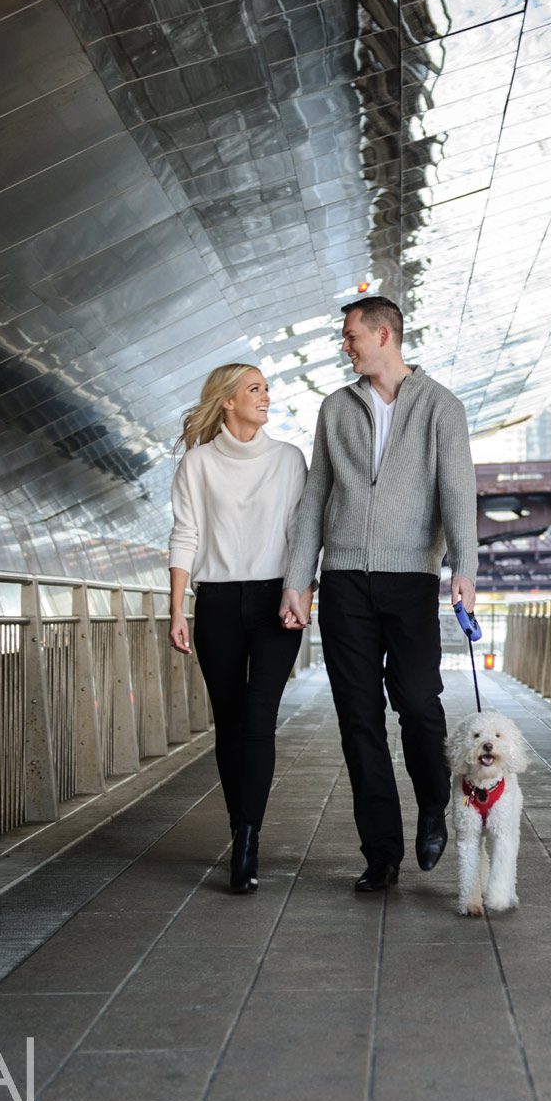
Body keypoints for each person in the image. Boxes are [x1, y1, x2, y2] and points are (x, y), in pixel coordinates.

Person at [280, 296, 479, 893]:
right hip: (343, 584)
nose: (345, 345)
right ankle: (381, 853)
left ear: (384, 334)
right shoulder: (335, 409)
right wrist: (299, 578)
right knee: (358, 720)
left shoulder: (442, 406)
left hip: (411, 580)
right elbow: (315, 496)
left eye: (350, 336)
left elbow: (456, 488)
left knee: (418, 703)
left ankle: (431, 807)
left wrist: (464, 565)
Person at [168, 364, 308, 894]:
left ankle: (248, 839)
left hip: (277, 602)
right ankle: (239, 828)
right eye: (255, 389)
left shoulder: (289, 459)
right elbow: (185, 535)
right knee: (228, 723)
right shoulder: (198, 464)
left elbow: (302, 533)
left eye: (267, 389)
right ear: (226, 401)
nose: (266, 397)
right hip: (219, 604)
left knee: (258, 719)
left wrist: (303, 596)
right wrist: (179, 609)